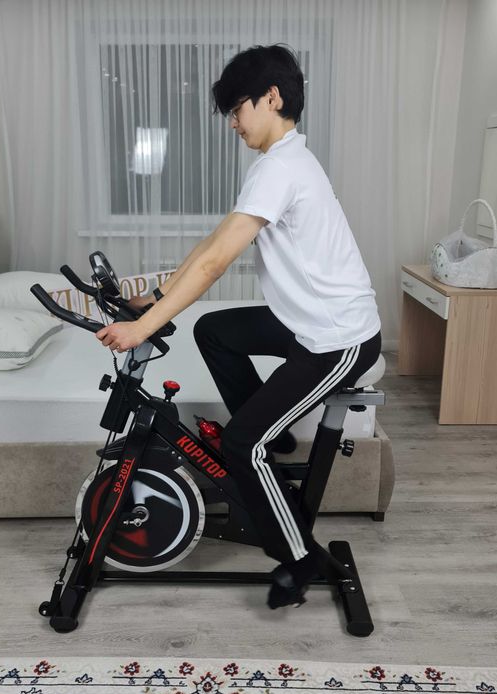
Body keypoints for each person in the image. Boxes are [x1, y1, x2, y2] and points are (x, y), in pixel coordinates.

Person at [96, 44, 381, 609]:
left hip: (339, 338)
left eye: (236, 109)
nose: (232, 122)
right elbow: (212, 243)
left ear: (271, 98)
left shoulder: (281, 168)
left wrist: (142, 327)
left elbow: (215, 263)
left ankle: (297, 559)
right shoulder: (280, 162)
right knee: (214, 331)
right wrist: (153, 299)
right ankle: (275, 435)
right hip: (305, 322)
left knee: (240, 442)